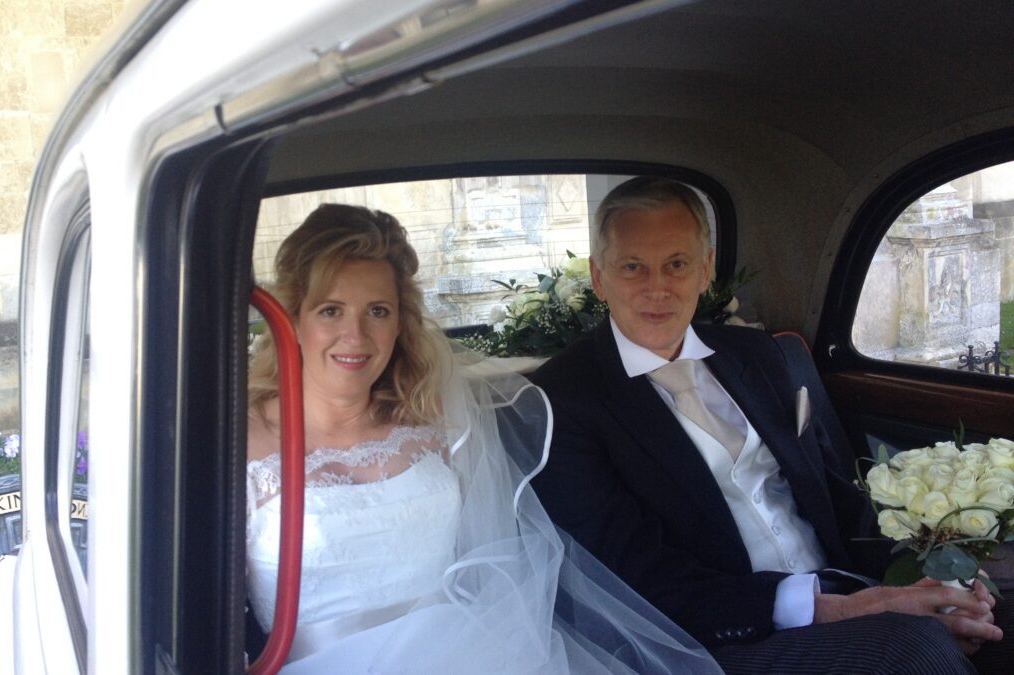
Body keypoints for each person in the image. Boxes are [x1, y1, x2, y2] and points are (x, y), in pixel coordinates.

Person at [529, 177, 1011, 674]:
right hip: (720, 634)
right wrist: (847, 609)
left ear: (705, 270)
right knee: (915, 650)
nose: (658, 288)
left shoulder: (757, 356)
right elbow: (629, 574)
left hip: (848, 583)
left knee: (995, 618)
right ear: (599, 277)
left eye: (677, 264)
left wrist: (929, 575)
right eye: (632, 267)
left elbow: (835, 494)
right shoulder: (563, 399)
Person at [244, 203, 723, 673]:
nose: (356, 335)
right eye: (330, 310)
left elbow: (499, 565)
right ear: (292, 319)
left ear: (399, 324)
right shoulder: (232, 444)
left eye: (378, 311)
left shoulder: (438, 419)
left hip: (472, 652)